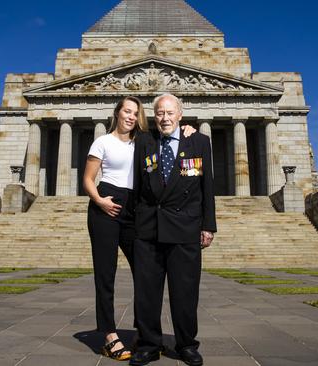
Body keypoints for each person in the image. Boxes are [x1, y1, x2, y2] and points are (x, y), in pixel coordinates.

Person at [83, 96, 196, 361]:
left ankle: (144, 334)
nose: (131, 117)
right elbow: (88, 178)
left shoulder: (144, 141)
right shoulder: (103, 141)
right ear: (118, 113)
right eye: (127, 111)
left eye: (136, 113)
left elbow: (170, 131)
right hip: (107, 204)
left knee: (146, 275)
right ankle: (110, 336)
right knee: (105, 274)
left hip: (137, 209)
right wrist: (99, 201)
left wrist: (187, 130)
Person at [129, 93, 216, 366]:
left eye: (169, 113)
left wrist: (208, 225)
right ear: (154, 116)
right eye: (159, 113)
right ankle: (148, 344)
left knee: (185, 292)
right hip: (149, 227)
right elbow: (136, 185)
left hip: (185, 227)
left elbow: (207, 187)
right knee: (146, 292)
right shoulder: (145, 140)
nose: (164, 118)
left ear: (180, 115)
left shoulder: (199, 141)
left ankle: (187, 344)